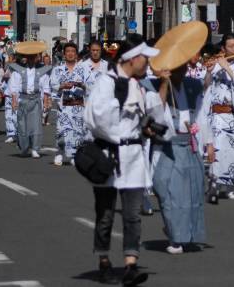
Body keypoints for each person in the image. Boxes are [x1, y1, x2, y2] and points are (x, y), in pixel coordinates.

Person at [84, 35, 165, 286]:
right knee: (105, 214)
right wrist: (126, 118)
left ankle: (131, 263)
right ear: (133, 59)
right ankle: (104, 260)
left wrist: (165, 81)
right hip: (110, 155)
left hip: (133, 157)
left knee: (132, 214)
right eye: (146, 59)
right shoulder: (107, 82)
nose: (148, 64)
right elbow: (97, 117)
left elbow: (155, 110)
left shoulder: (139, 85)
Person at [149, 35, 209, 255]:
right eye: (177, 67)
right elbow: (155, 114)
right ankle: (174, 233)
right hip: (165, 146)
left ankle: (181, 235)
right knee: (165, 191)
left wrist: (208, 143)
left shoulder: (193, 85)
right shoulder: (154, 84)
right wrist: (163, 83)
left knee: (190, 194)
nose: (182, 71)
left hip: (189, 143)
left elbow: (202, 116)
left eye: (183, 66)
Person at [201, 33, 234, 200]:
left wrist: (227, 68)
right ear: (224, 48)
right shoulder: (215, 64)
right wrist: (209, 71)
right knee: (217, 150)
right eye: (232, 46)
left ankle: (230, 187)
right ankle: (213, 185)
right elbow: (205, 87)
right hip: (217, 116)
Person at [8, 42, 52, 158]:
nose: (32, 59)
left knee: (36, 125)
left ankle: (35, 148)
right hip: (23, 99)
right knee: (22, 125)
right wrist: (14, 101)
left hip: (36, 99)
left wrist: (46, 101)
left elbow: (46, 87)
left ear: (37, 57)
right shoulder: (18, 70)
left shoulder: (42, 70)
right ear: (25, 58)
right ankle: (24, 148)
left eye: (34, 56)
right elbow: (14, 87)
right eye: (29, 57)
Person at [50, 41, 90, 166]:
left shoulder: (84, 69)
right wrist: (62, 86)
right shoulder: (58, 69)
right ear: (64, 54)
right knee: (61, 131)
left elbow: (92, 85)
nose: (70, 54)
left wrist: (83, 85)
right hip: (64, 105)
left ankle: (74, 155)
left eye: (73, 51)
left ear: (76, 54)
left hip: (78, 105)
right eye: (68, 52)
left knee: (78, 132)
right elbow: (52, 85)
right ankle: (59, 153)